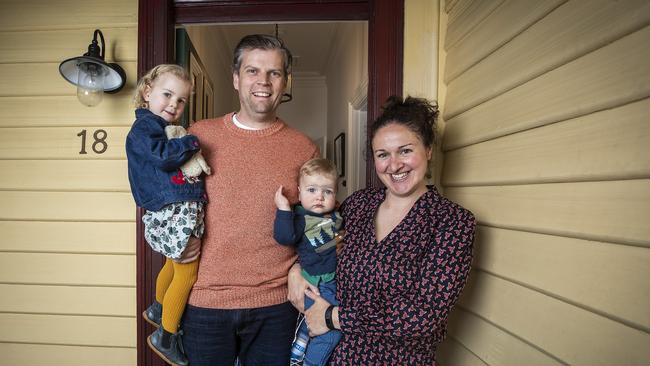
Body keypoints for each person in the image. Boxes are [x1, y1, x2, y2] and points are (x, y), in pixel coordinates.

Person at [289, 96, 477, 365]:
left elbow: (424, 317)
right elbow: (319, 246)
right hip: (335, 357)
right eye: (383, 154)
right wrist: (295, 271)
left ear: (429, 150)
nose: (394, 164)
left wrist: (333, 317)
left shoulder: (452, 222)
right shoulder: (357, 205)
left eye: (405, 150)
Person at [178, 34, 319, 366]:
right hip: (205, 301)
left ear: (286, 81)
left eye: (274, 73)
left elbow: (317, 223)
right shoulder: (200, 134)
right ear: (236, 78)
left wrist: (301, 266)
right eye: (253, 71)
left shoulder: (303, 148)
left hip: (275, 305)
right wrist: (173, 244)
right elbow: (170, 200)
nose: (264, 82)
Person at [126, 64, 210, 366]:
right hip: (170, 209)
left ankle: (158, 309)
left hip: (173, 208)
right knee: (187, 271)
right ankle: (167, 335)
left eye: (181, 100)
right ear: (147, 92)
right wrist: (190, 141)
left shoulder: (156, 128)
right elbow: (163, 157)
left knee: (174, 267)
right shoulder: (145, 128)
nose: (174, 104)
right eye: (167, 94)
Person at [273, 158, 343, 366]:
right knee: (330, 334)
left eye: (327, 191)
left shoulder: (337, 216)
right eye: (312, 190)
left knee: (312, 324)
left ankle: (298, 350)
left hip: (334, 283)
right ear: (299, 192)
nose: (319, 197)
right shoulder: (300, 217)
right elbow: (284, 237)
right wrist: (284, 209)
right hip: (316, 284)